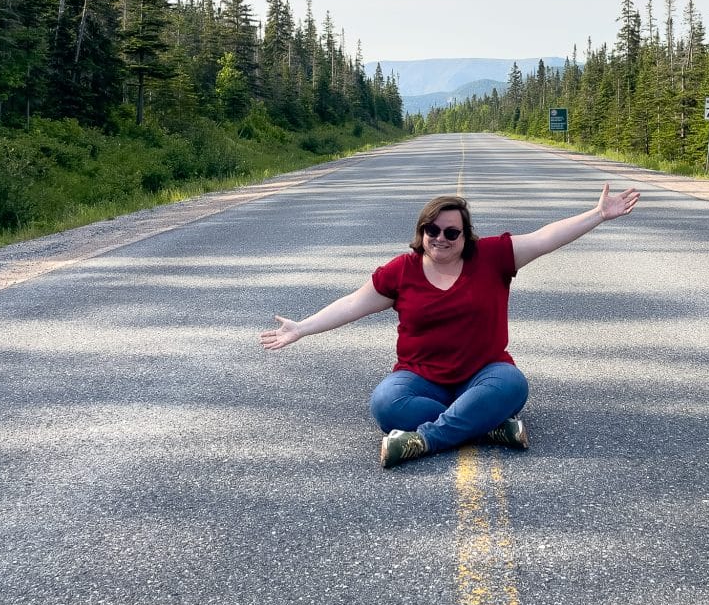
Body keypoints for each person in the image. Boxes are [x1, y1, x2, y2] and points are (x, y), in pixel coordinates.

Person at [259, 184, 641, 468]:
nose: (440, 238)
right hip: (420, 377)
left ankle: (422, 440)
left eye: (451, 232)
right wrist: (302, 328)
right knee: (386, 405)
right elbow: (352, 304)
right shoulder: (401, 271)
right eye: (432, 230)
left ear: (465, 234)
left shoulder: (493, 256)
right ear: (422, 232)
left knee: (511, 385)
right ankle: (488, 424)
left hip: (483, 373)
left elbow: (544, 238)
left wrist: (598, 214)